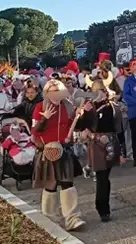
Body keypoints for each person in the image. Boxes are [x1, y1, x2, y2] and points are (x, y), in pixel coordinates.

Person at [32, 79, 86, 231]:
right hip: (47, 151)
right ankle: (50, 219)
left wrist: (79, 116)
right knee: (51, 185)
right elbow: (35, 131)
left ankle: (72, 218)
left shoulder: (68, 106)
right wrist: (45, 118)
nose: (55, 96)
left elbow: (75, 126)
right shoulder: (40, 107)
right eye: (52, 92)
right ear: (47, 93)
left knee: (67, 184)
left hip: (64, 149)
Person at [75, 79, 127, 222]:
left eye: (101, 91)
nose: (99, 95)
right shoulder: (89, 107)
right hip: (96, 144)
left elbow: (119, 130)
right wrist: (83, 114)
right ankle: (102, 208)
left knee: (105, 177)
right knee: (101, 177)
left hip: (110, 143)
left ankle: (105, 208)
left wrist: (122, 152)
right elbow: (79, 126)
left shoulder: (113, 107)